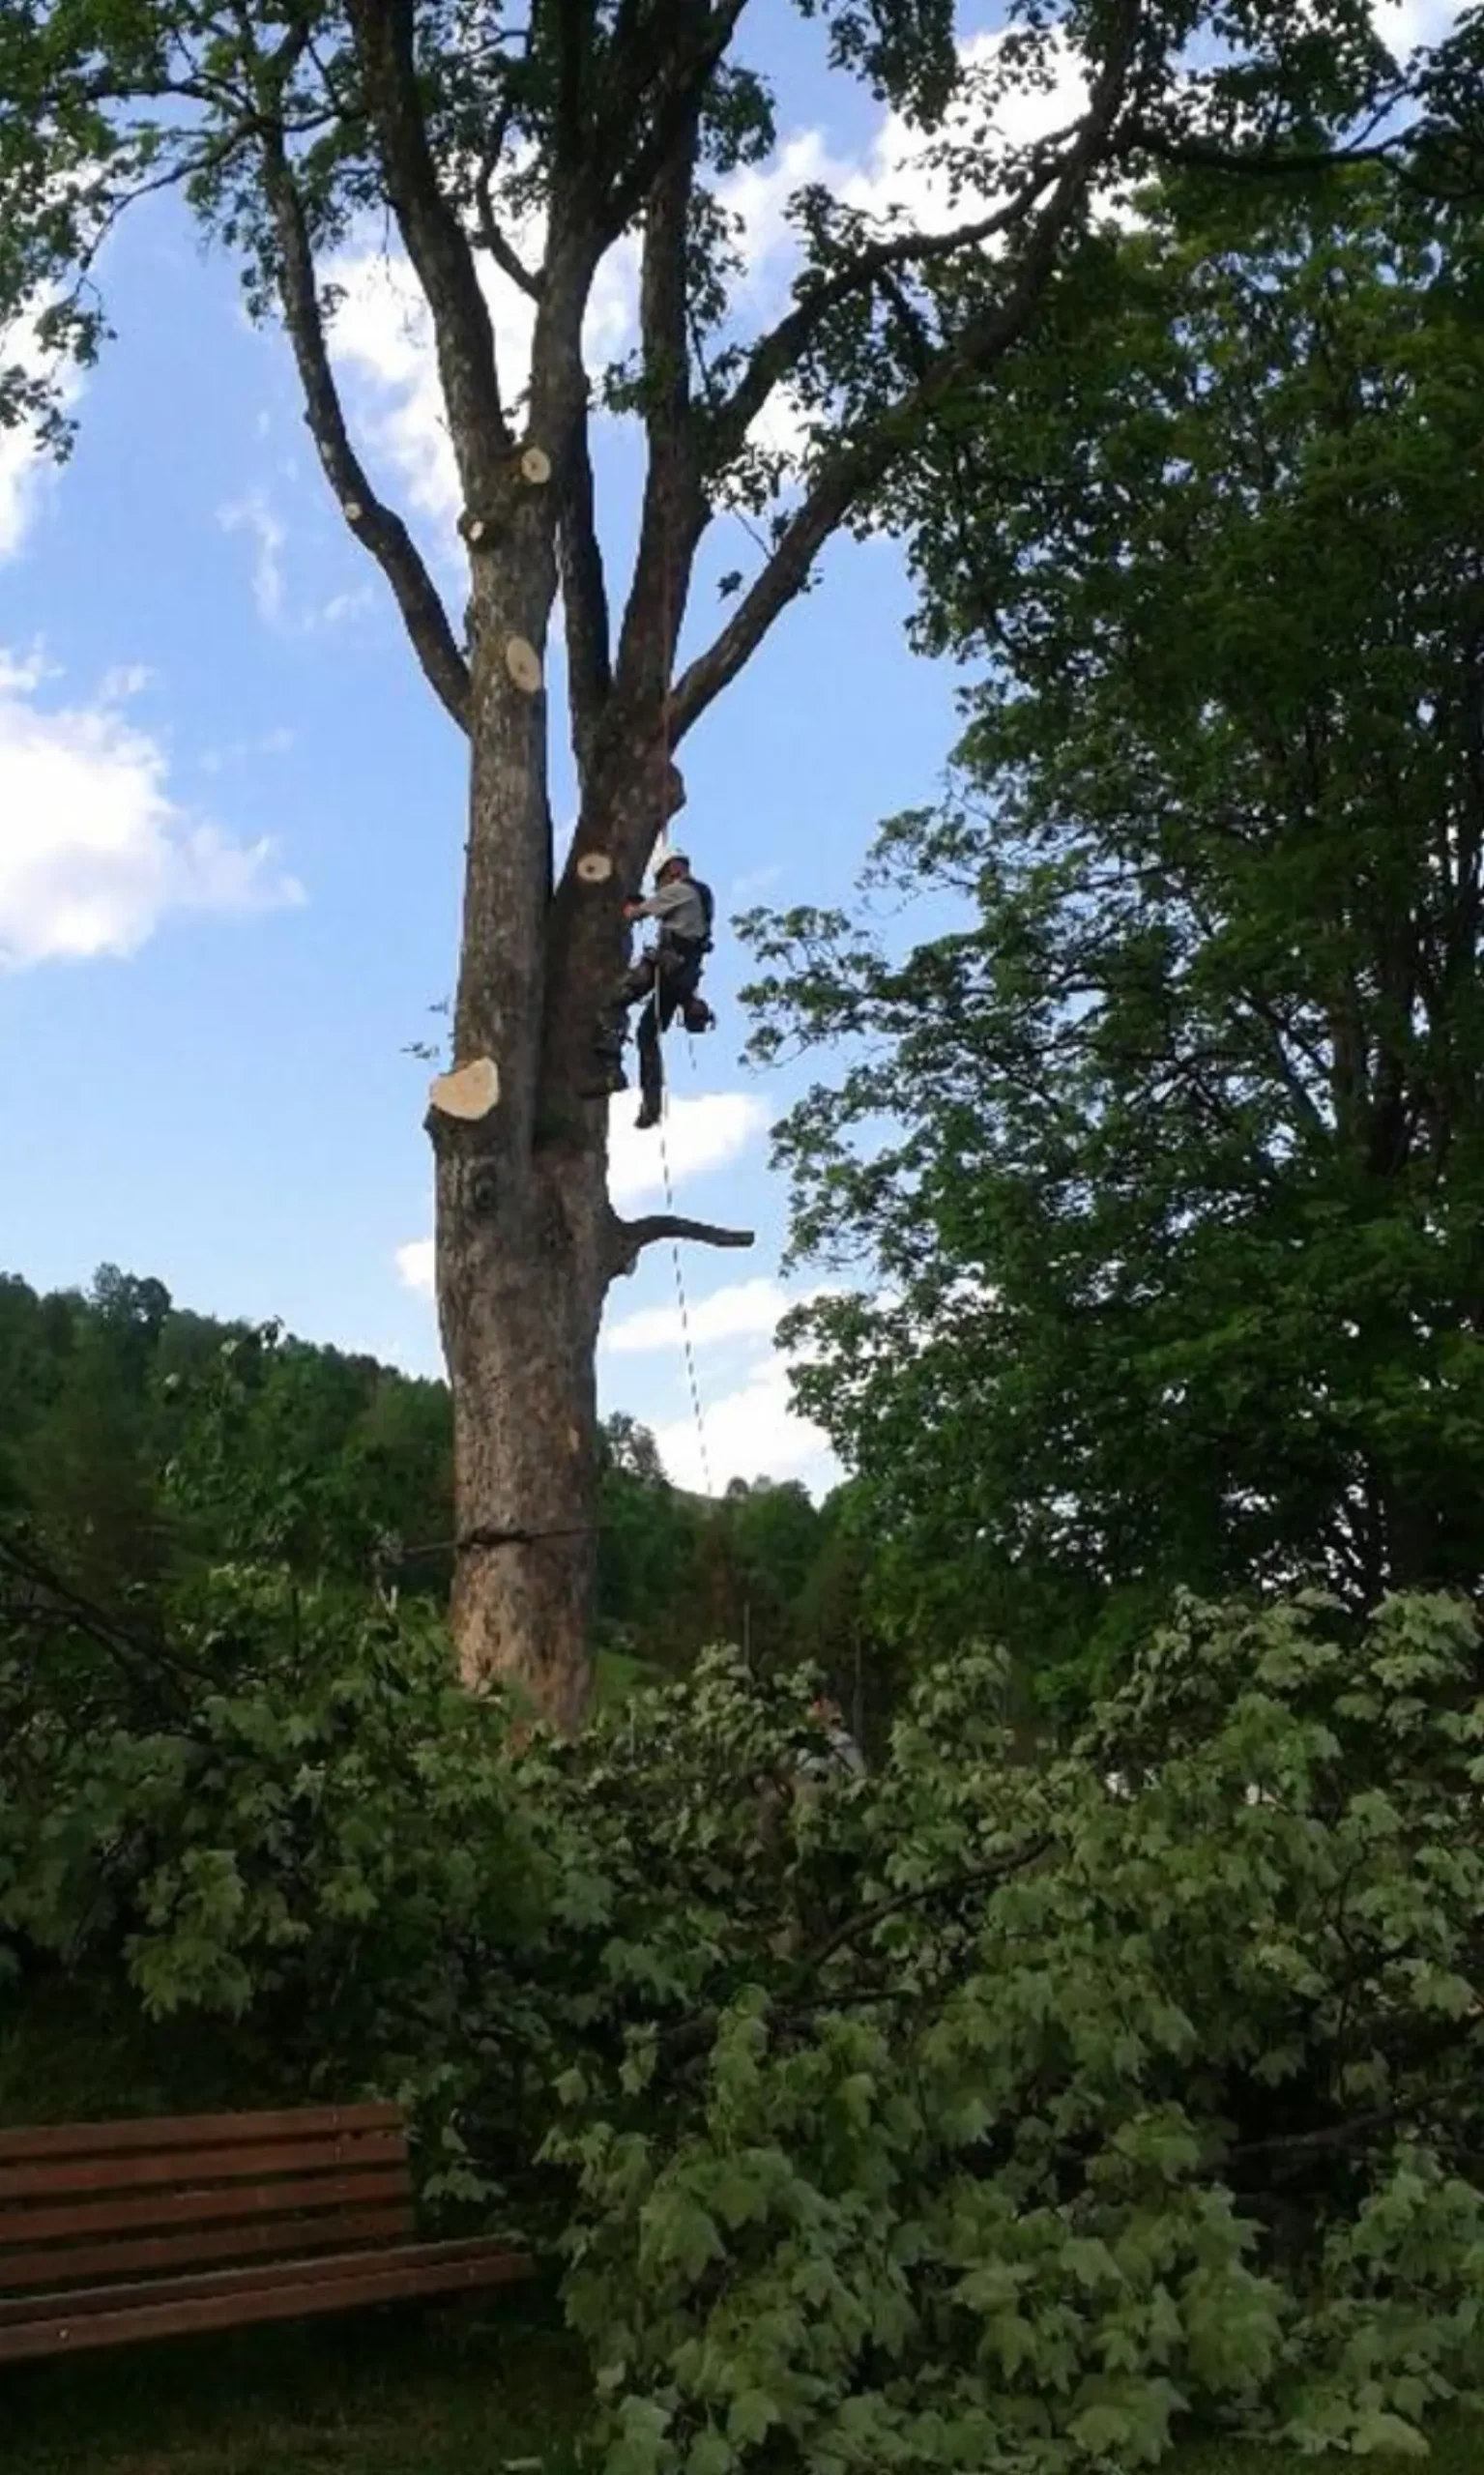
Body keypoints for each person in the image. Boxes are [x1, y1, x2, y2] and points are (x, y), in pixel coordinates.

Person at [602, 851, 716, 1130]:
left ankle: (608, 1062)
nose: (661, 887)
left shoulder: (680, 890)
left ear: (674, 869)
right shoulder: (702, 894)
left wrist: (627, 903)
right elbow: (665, 911)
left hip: (666, 968)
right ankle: (651, 1105)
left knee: (612, 1001)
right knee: (647, 1035)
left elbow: (633, 914)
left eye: (661, 880)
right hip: (683, 977)